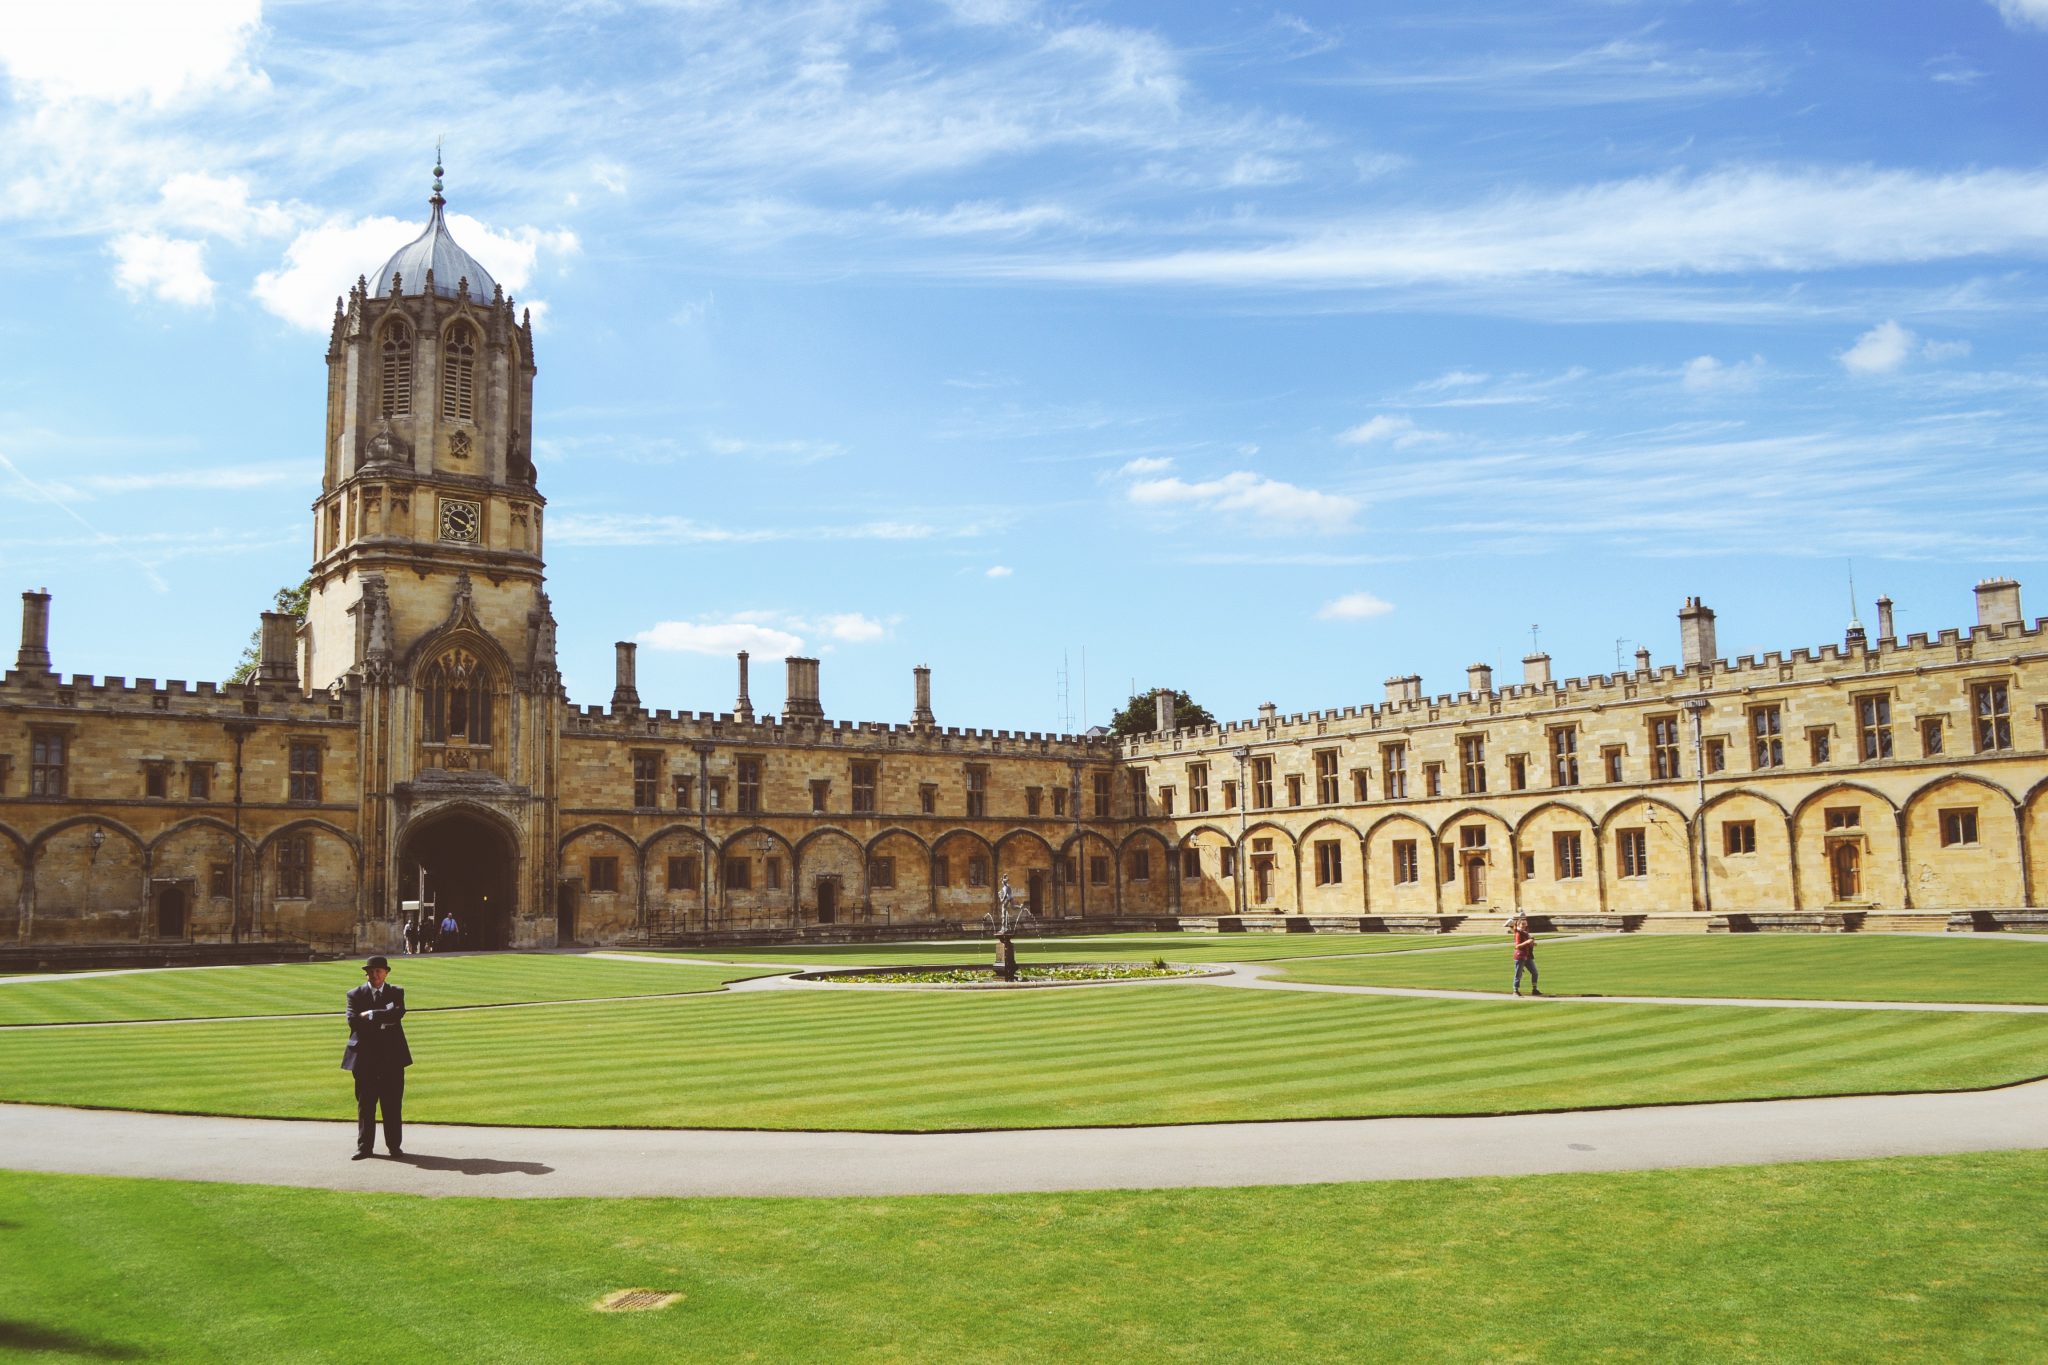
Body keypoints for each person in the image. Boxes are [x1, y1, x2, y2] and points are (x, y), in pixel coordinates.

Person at [342, 955, 412, 1159]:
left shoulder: (396, 992)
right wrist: (383, 1019)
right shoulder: (354, 994)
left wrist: (371, 1014)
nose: (375, 975)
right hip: (365, 1058)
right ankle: (365, 1147)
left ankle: (394, 1146)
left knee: (392, 1104)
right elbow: (353, 1021)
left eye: (379, 971)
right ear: (367, 974)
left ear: (386, 973)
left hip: (391, 1057)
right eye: (371, 972)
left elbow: (398, 1014)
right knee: (366, 1104)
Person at [1509, 914, 1540, 996]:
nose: (1524, 925)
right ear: (1519, 925)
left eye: (1525, 923)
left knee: (1535, 972)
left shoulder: (1525, 933)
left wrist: (1532, 944)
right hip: (1520, 956)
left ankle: (1534, 989)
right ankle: (1515, 990)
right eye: (1522, 924)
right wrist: (1527, 942)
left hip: (1528, 956)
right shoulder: (1518, 934)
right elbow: (1517, 946)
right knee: (1518, 974)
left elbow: (1528, 943)